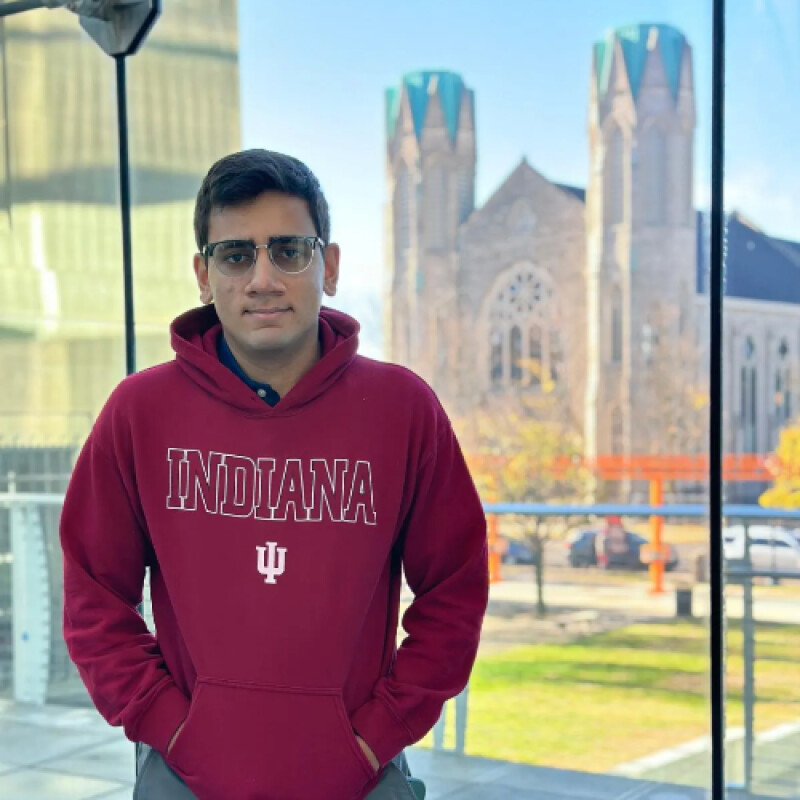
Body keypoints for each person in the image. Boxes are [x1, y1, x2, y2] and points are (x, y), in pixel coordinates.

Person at [60, 149, 489, 800]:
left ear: (329, 266)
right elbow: (93, 596)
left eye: (289, 251)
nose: (263, 278)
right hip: (185, 778)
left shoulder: (403, 410)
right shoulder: (139, 412)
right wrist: (171, 727)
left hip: (360, 779)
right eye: (236, 255)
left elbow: (455, 591)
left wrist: (378, 732)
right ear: (203, 275)